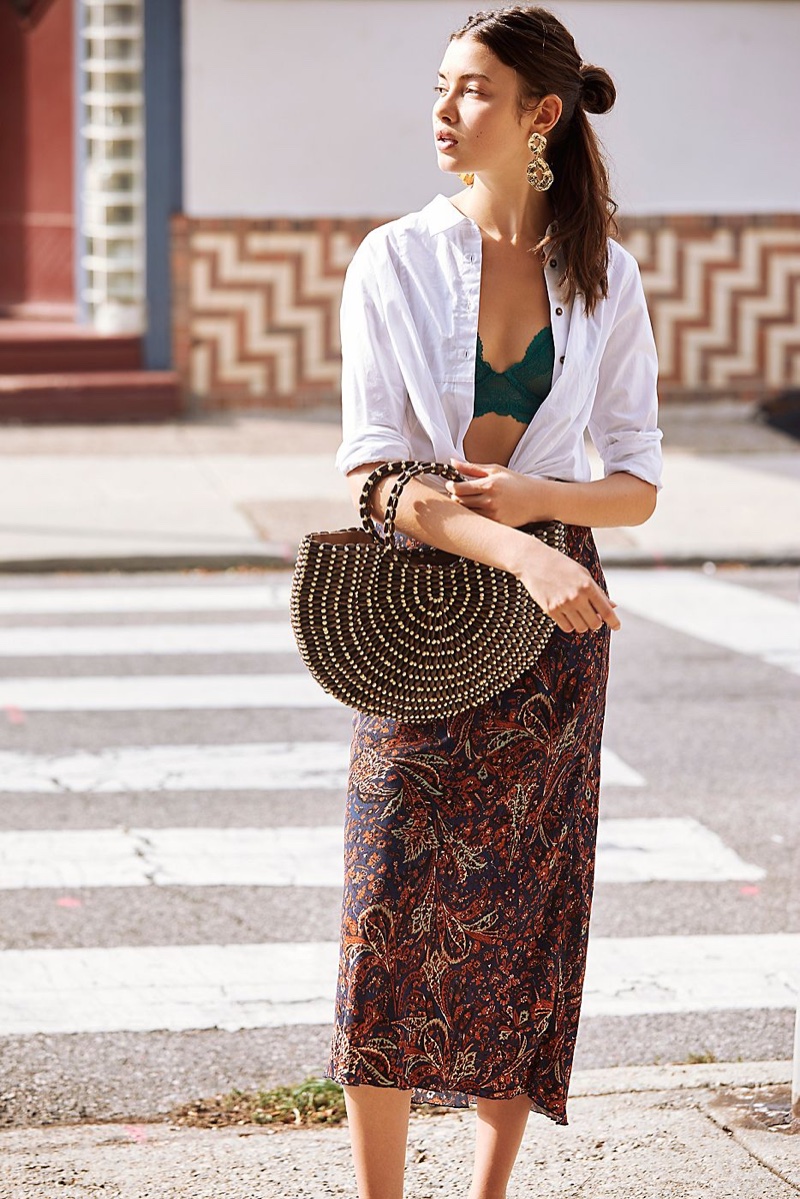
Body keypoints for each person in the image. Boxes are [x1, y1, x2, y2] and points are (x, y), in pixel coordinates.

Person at [325, 7, 663, 1198]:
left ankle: (487, 1189)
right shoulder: (394, 259)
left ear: (540, 115)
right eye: (439, 85)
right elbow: (375, 477)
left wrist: (545, 500)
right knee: (387, 910)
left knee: (522, 916)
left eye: (471, 90)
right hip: (420, 613)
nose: (441, 110)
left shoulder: (602, 271)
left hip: (558, 639)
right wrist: (518, 541)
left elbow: (633, 488)